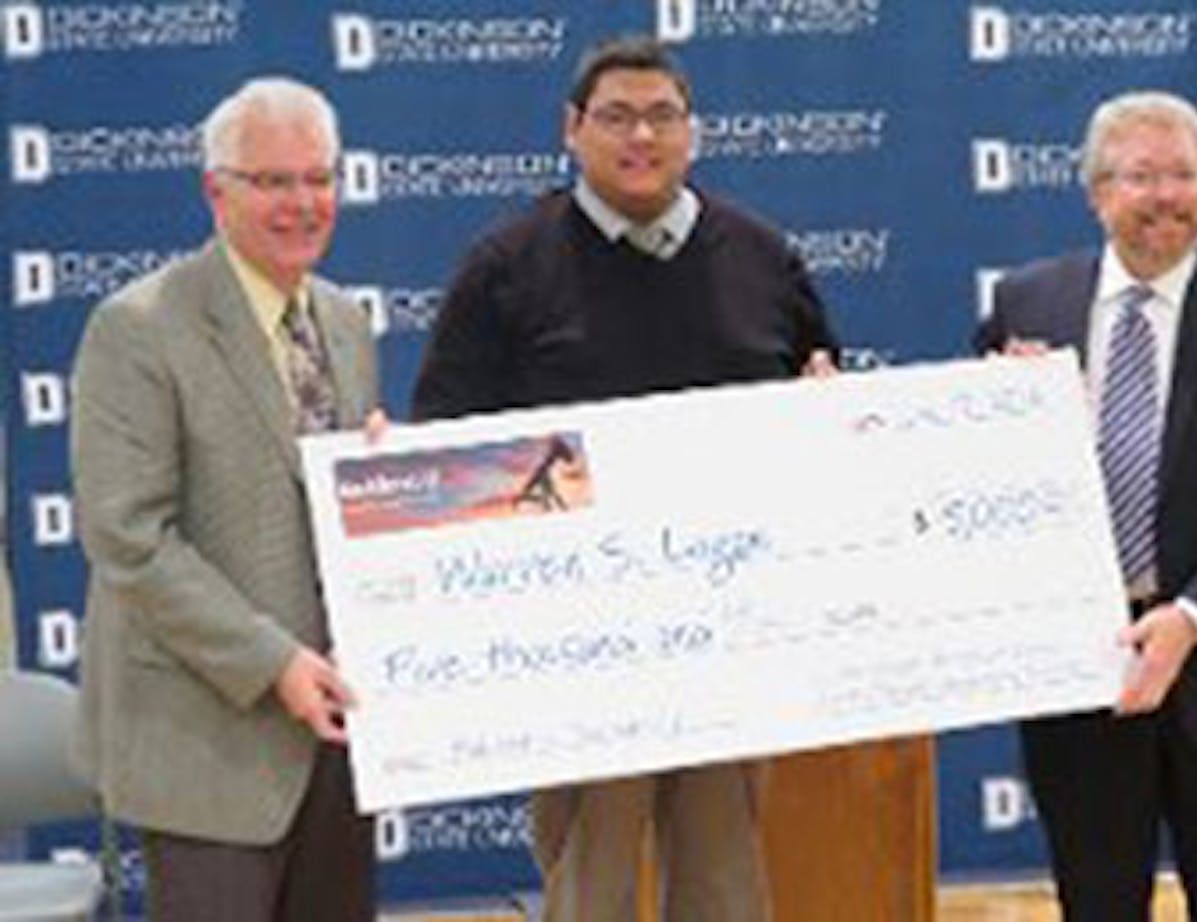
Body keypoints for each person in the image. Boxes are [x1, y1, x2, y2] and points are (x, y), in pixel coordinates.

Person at [412, 34, 837, 922]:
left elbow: (819, 412)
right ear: (572, 130)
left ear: (695, 132)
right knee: (589, 888)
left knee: (725, 885)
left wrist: (828, 421)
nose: (640, 136)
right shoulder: (505, 267)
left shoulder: (765, 257)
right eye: (615, 117)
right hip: (577, 648)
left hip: (735, 635)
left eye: (661, 116)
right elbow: (444, 456)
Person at [976, 90, 1197, 921]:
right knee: (1096, 904)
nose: (1167, 194)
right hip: (1083, 671)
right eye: (1142, 176)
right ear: (1098, 193)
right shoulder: (1026, 305)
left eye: (1185, 175)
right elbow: (985, 478)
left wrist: (1192, 615)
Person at [70, 77, 380, 921]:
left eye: (319, 178)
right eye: (272, 181)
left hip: (339, 736)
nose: (302, 202)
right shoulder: (138, 327)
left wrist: (383, 481)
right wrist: (274, 663)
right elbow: (128, 537)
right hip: (207, 737)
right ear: (216, 190)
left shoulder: (347, 321)